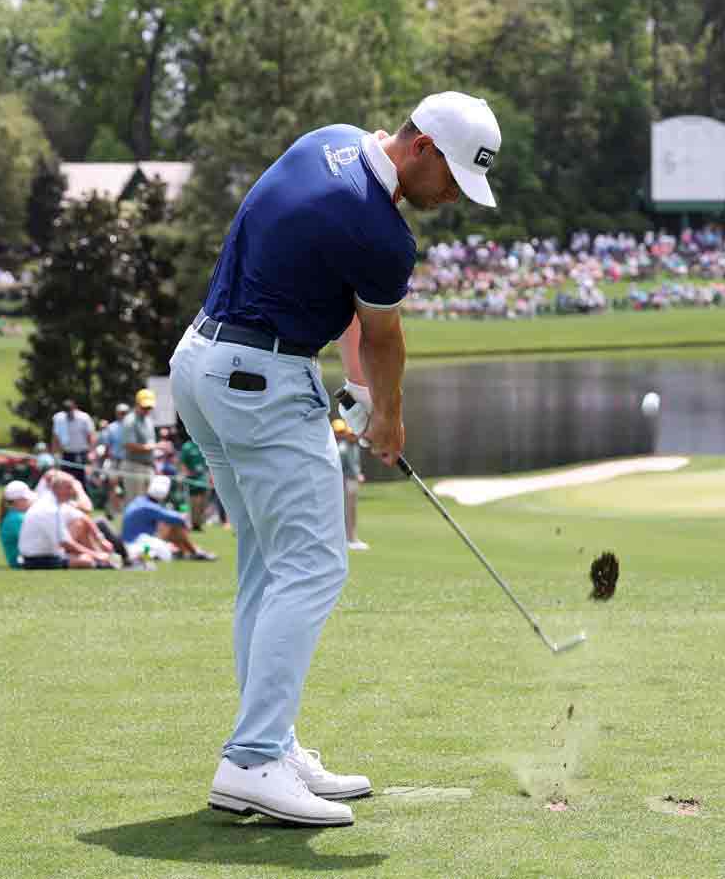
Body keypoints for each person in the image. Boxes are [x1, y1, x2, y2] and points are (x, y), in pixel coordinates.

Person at [173, 91, 501, 825]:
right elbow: (383, 336)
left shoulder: (331, 140)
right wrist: (387, 417)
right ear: (420, 148)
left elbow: (349, 311)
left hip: (202, 364)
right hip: (260, 380)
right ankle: (251, 758)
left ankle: (272, 745)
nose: (451, 197)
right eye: (450, 179)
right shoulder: (384, 233)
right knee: (316, 565)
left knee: (267, 563)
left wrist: (356, 393)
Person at [18, 471, 119, 570]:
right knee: (86, 561)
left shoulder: (55, 502)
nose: (72, 492)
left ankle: (103, 561)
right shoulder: (49, 508)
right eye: (69, 488)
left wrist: (101, 540)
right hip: (36, 559)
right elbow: (65, 543)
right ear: (57, 488)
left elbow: (83, 516)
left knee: (80, 525)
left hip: (48, 553)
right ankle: (101, 562)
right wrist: (96, 555)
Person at [120, 474, 216, 561]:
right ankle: (192, 552)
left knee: (169, 531)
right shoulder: (149, 507)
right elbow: (179, 519)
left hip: (135, 541)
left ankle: (191, 551)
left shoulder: (140, 500)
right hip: (137, 544)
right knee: (165, 549)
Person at [118, 390, 159, 508]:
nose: (147, 410)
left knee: (149, 502)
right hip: (133, 466)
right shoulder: (130, 420)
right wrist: (152, 447)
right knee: (135, 503)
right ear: (137, 404)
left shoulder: (149, 421)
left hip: (148, 466)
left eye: (149, 407)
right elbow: (128, 445)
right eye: (144, 407)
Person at [334, 420, 368, 551]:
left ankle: (352, 537)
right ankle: (350, 539)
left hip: (351, 480)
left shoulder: (353, 445)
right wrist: (356, 473)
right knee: (348, 510)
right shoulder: (343, 447)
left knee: (351, 510)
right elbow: (345, 464)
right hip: (348, 480)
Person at [52, 398, 97, 487]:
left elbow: (91, 435)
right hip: (66, 453)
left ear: (74, 408)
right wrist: (55, 453)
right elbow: (55, 437)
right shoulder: (59, 418)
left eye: (70, 410)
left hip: (81, 453)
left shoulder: (84, 417)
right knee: (66, 479)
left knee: (81, 480)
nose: (69, 413)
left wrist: (92, 452)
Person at [0, 479, 33, 569]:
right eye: (27, 499)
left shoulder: (13, 515)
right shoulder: (17, 519)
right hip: (21, 563)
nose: (31, 502)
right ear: (18, 501)